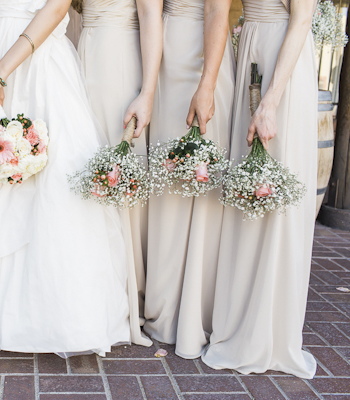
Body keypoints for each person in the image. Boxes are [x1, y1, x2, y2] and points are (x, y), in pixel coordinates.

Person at [0, 0, 132, 355]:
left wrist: (1, 73)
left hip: (44, 61)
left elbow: (54, 11)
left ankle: (62, 320)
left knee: (58, 188)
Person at [202, 0, 318, 379]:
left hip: (280, 63)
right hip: (252, 48)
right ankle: (239, 321)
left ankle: (267, 332)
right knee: (247, 193)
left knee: (273, 196)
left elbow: (302, 18)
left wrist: (270, 100)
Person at [143, 0, 235, 359]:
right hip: (165, 56)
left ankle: (195, 311)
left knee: (199, 186)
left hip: (202, 58)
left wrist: (208, 83)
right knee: (167, 188)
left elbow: (216, 11)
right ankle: (163, 306)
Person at [77, 0, 162, 345]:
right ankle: (89, 287)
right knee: (86, 172)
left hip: (118, 58)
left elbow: (149, 14)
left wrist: (148, 92)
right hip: (83, 51)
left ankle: (123, 294)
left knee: (115, 176)